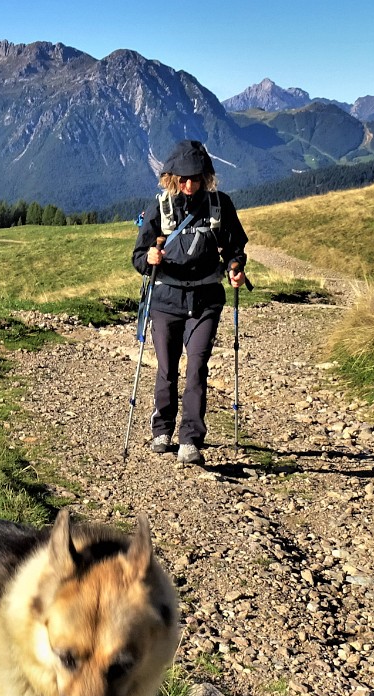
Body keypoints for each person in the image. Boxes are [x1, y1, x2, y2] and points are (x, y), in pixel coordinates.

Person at [131, 140, 249, 466]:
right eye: (182, 178)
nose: (189, 184)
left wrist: (236, 268)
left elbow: (234, 248)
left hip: (206, 299)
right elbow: (139, 257)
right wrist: (149, 258)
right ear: (171, 177)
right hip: (166, 299)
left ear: (205, 176)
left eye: (195, 178)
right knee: (167, 369)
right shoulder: (160, 207)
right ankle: (162, 429)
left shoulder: (219, 205)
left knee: (196, 367)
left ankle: (190, 440)